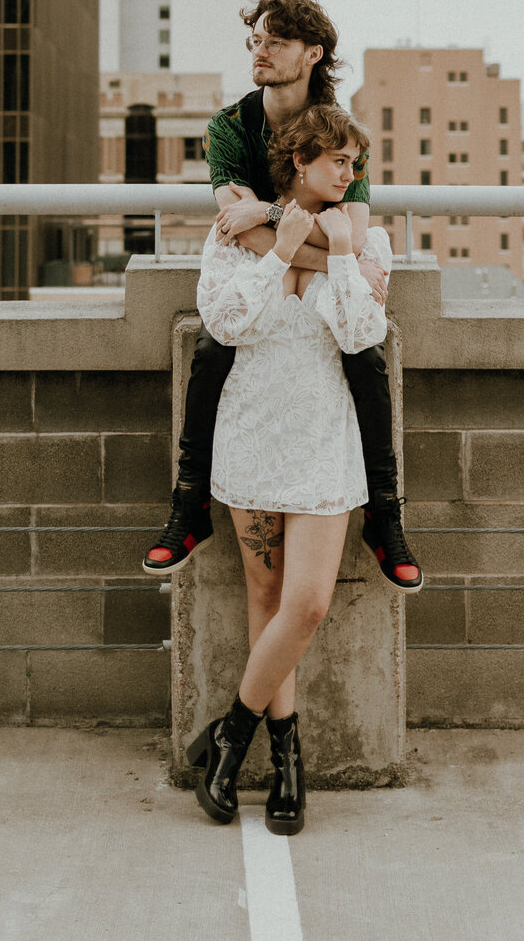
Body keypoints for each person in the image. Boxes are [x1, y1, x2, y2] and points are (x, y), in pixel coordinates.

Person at [140, 0, 423, 593]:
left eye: (278, 40)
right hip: (254, 280)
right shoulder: (229, 127)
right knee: (213, 351)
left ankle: (384, 514)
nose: (260, 49)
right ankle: (189, 505)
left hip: (308, 278)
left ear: (314, 52)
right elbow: (238, 232)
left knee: (365, 360)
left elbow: (352, 225)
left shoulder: (339, 133)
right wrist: (319, 244)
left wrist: (279, 222)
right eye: (256, 38)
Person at [186, 104, 393, 832]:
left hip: (322, 442)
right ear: (299, 164)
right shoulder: (236, 236)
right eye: (339, 161)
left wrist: (339, 255)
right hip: (251, 432)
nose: (352, 174)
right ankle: (286, 769)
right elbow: (222, 324)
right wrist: (281, 252)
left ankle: (229, 736)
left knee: (305, 604)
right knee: (266, 597)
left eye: (355, 163)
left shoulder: (369, 245)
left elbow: (364, 332)